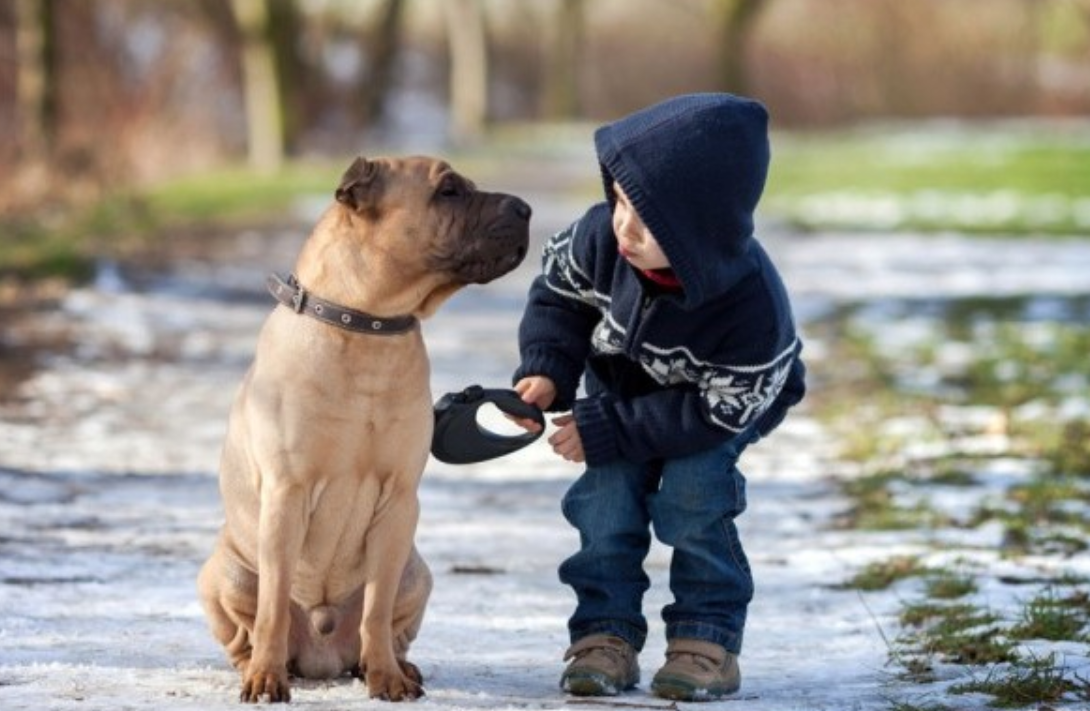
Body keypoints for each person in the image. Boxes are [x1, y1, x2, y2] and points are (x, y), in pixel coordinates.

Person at [511, 93, 806, 701]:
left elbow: (715, 411)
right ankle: (604, 634)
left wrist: (609, 428)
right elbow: (557, 300)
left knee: (695, 494)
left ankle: (707, 639)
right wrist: (548, 368)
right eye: (618, 199)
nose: (623, 224)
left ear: (703, 230)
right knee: (606, 499)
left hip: (722, 401)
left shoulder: (752, 308)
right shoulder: (599, 241)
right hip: (627, 387)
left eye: (649, 218)